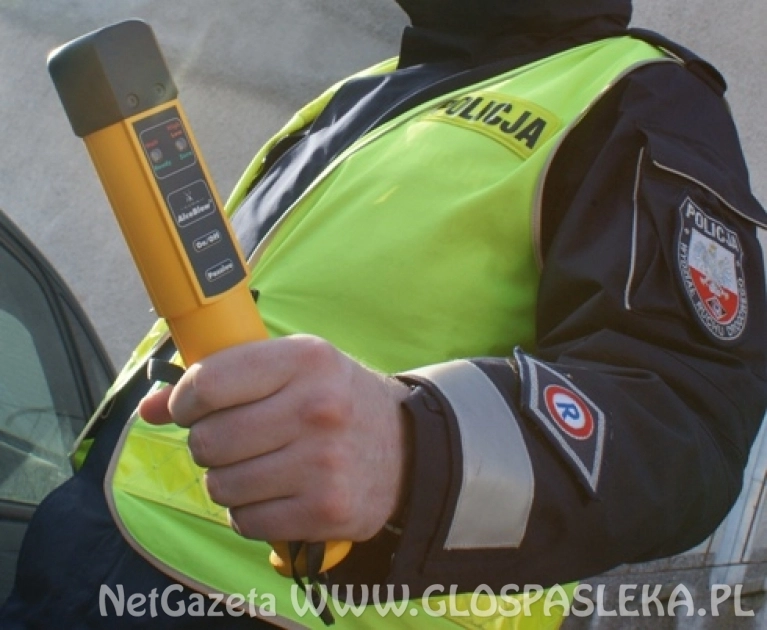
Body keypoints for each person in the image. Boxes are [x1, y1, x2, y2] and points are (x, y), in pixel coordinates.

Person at [3, 0, 766, 627]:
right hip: (87, 553)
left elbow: (684, 418)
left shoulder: (638, 96)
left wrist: (413, 448)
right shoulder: (359, 91)